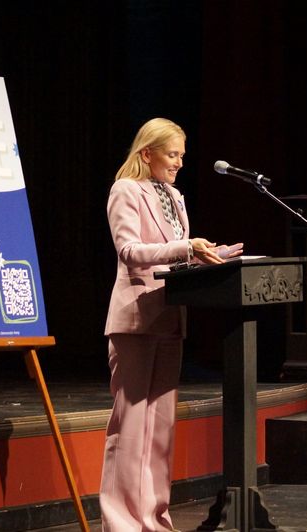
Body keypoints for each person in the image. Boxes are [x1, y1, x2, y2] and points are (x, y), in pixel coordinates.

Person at [100, 117, 242, 531]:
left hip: (170, 316)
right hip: (136, 318)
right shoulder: (126, 190)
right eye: (172, 154)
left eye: (182, 155)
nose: (179, 163)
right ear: (147, 153)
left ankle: (154, 518)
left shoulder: (174, 197)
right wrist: (185, 246)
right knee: (130, 426)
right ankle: (121, 522)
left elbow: (174, 254)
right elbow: (129, 250)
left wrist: (203, 255)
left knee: (159, 428)